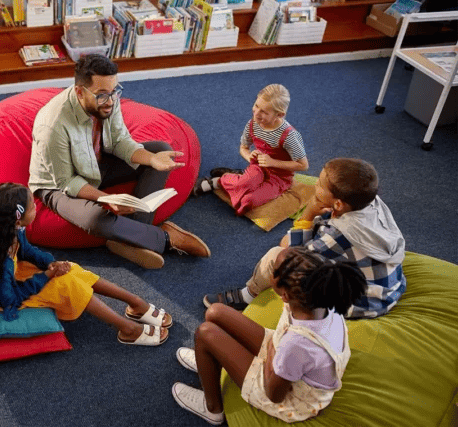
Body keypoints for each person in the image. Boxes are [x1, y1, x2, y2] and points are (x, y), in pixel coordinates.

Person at [28, 54, 210, 269]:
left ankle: (132, 239)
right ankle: (165, 238)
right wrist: (106, 198)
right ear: (79, 91)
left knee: (161, 150)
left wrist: (151, 159)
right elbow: (67, 181)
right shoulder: (52, 125)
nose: (111, 100)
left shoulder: (108, 100)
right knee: (94, 219)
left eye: (115, 91)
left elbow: (120, 142)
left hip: (97, 163)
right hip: (56, 186)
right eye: (103, 95)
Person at [0, 183, 173, 346]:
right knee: (67, 285)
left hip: (14, 276)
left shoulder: (11, 231)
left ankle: (134, 302)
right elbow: (11, 296)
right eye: (32, 208)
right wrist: (47, 276)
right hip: (6, 296)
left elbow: (28, 252)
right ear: (17, 219)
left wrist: (52, 264)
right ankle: (127, 329)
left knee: (70, 268)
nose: (36, 209)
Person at [172, 246, 367, 424]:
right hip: (286, 356)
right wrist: (276, 351)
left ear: (285, 296)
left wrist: (273, 357)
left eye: (274, 269)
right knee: (215, 312)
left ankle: (212, 409)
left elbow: (274, 395)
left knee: (205, 333)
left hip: (287, 394)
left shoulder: (297, 344)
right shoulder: (322, 300)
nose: (271, 265)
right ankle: (212, 362)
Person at [204, 158, 406, 320]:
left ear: (338, 204)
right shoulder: (372, 204)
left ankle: (247, 295)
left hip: (361, 303)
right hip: (389, 288)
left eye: (319, 185)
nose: (314, 184)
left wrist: (308, 214)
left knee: (277, 256)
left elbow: (289, 249)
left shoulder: (338, 235)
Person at [193, 84, 309, 215]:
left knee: (248, 200)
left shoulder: (290, 136)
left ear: (280, 114)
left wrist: (272, 162)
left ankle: (237, 177)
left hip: (279, 178)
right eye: (256, 105)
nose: (256, 113)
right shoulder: (252, 124)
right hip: (258, 167)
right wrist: (249, 157)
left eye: (264, 112)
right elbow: (243, 147)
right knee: (243, 184)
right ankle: (216, 182)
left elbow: (303, 165)